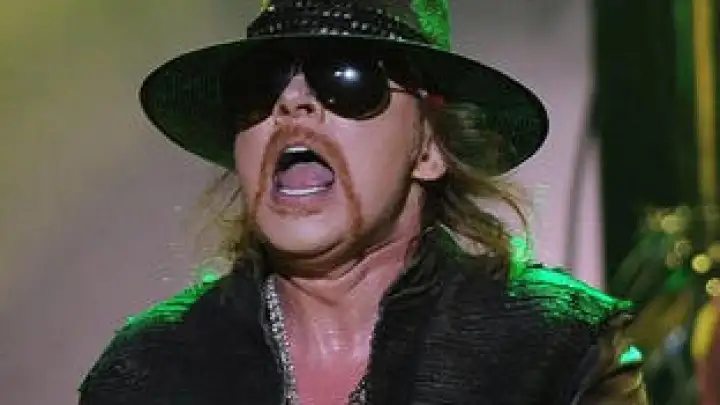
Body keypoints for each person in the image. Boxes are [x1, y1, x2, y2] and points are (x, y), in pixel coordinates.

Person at [78, 0, 648, 404]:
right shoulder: (146, 372)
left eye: (345, 77)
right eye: (261, 83)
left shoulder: (559, 354)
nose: (291, 105)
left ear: (429, 147)